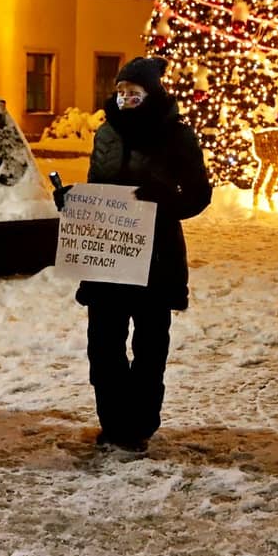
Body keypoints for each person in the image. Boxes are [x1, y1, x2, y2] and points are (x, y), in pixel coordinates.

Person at [55, 56, 211, 454]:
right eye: (121, 92)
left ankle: (139, 424)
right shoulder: (106, 133)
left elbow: (198, 194)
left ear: (152, 94)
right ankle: (113, 422)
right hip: (108, 258)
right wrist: (74, 201)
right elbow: (98, 188)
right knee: (103, 344)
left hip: (155, 259)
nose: (125, 99)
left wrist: (166, 199)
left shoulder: (177, 136)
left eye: (134, 93)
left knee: (149, 347)